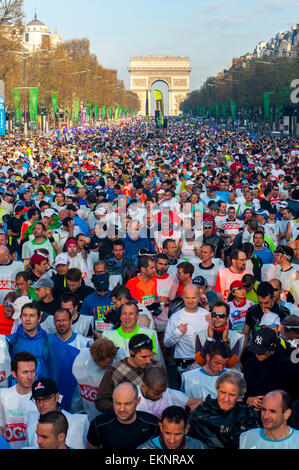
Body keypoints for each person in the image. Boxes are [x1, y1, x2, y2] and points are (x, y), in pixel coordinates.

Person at [8, 301, 80, 412]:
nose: (27, 319)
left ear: (39, 318)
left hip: (41, 396)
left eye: (32, 316)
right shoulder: (11, 340)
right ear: (20, 317)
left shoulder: (49, 340)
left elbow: (71, 358)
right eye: (25, 315)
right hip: (18, 396)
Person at [188, 371, 261, 449]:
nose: (226, 399)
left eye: (232, 395)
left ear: (239, 396)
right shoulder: (202, 413)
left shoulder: (248, 415)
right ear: (217, 390)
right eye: (223, 392)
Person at [95, 334, 161, 412]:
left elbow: (166, 395)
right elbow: (101, 401)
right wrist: (123, 408)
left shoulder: (157, 367)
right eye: (143, 357)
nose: (149, 361)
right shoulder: (114, 371)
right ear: (131, 353)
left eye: (151, 356)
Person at [87, 382, 159, 449]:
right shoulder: (99, 424)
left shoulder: (153, 424)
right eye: (118, 403)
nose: (122, 409)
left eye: (127, 404)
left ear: (138, 401)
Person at [72, 338, 128, 422]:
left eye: (106, 365)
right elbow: (78, 393)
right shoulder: (83, 362)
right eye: (97, 364)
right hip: (91, 417)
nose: (101, 368)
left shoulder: (121, 362)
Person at [243, 327, 299, 409]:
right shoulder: (248, 364)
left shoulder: (288, 367)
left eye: (261, 351)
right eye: (255, 350)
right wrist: (247, 399)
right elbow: (240, 392)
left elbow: (294, 397)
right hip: (251, 414)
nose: (257, 354)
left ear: (273, 347)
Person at [26, 377, 89, 449]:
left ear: (57, 397)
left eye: (46, 399)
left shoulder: (80, 422)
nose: (41, 405)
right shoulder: (31, 420)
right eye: (37, 400)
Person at [164, 284, 210, 373]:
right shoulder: (175, 317)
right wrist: (177, 333)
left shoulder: (207, 315)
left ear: (199, 297)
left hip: (203, 365)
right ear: (182, 297)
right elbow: (167, 344)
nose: (190, 301)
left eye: (193, 298)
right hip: (183, 367)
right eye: (187, 298)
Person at [0, 352, 37, 448]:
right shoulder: (2, 396)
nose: (30, 377)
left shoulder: (43, 398)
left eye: (33, 371)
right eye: (25, 372)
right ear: (14, 374)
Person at [194, 301, 244, 368]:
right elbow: (200, 361)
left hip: (225, 377)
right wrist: (209, 339)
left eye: (221, 315)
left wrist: (225, 341)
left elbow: (231, 363)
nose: (217, 317)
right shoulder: (200, 334)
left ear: (227, 318)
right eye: (214, 314)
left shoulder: (235, 337)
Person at [136, 366, 201, 416]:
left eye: (162, 392)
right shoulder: (131, 395)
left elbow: (200, 403)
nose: (161, 396)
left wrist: (183, 410)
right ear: (144, 386)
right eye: (156, 393)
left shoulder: (169, 393)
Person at [139, 405, 206, 449]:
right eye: (167, 433)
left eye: (178, 434)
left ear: (186, 429)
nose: (172, 440)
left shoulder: (198, 446)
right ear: (161, 427)